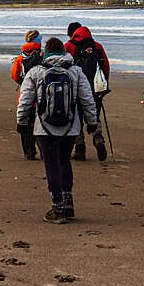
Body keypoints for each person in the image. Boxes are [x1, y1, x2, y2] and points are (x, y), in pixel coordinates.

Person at [16, 37, 98, 224]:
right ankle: (68, 201)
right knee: (64, 161)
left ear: (46, 52)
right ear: (63, 52)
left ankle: (57, 207)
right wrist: (92, 122)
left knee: (51, 164)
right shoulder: (76, 71)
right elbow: (87, 99)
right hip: (71, 127)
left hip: (44, 128)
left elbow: (25, 99)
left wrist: (21, 121)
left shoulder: (36, 71)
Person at [65, 22, 110, 161]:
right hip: (95, 88)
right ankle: (98, 138)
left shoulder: (69, 46)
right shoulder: (97, 46)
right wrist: (103, 85)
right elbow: (105, 66)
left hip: (76, 88)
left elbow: (65, 68)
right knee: (93, 115)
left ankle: (80, 148)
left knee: (76, 117)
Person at [10, 30, 43, 160]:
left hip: (25, 94)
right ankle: (43, 149)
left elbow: (14, 74)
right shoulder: (43, 55)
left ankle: (29, 151)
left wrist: (22, 83)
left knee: (25, 123)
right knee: (40, 124)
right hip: (41, 95)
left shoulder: (20, 57)